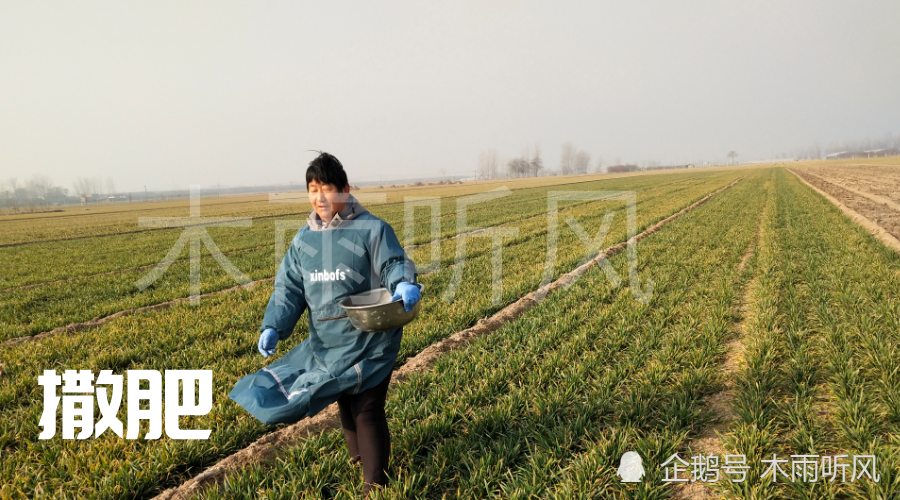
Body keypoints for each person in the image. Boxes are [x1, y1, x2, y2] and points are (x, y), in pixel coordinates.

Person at [229, 152, 420, 495]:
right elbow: (289, 288)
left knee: (366, 408)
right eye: (312, 189)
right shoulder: (303, 241)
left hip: (371, 338)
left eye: (327, 188)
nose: (319, 197)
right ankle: (362, 461)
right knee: (344, 400)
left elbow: (393, 262)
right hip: (328, 343)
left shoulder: (371, 229)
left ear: (345, 190)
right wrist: (273, 324)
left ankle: (374, 486)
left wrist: (402, 281)